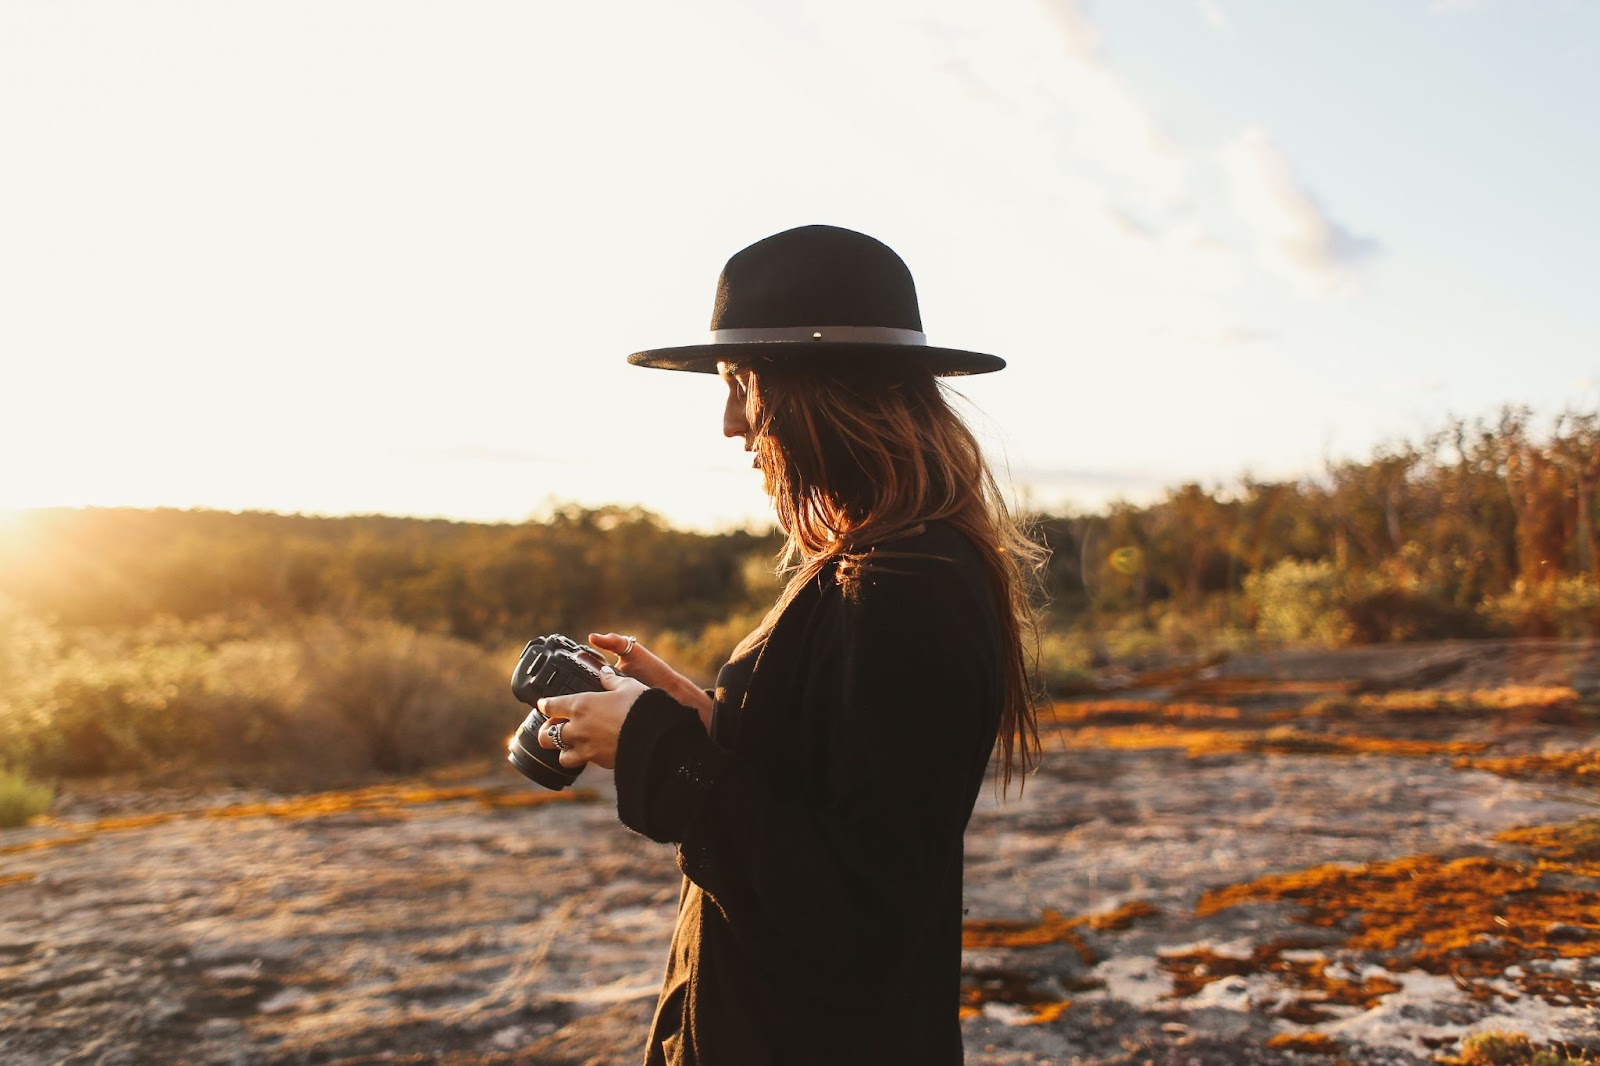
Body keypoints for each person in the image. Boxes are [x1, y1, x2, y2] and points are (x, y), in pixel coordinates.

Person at [533, 224, 1046, 1065]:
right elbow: (832, 791)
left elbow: (855, 903)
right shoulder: (887, 564)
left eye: (742, 383)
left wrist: (656, 753)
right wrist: (707, 717)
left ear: (824, 390)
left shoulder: (906, 585)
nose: (731, 423)